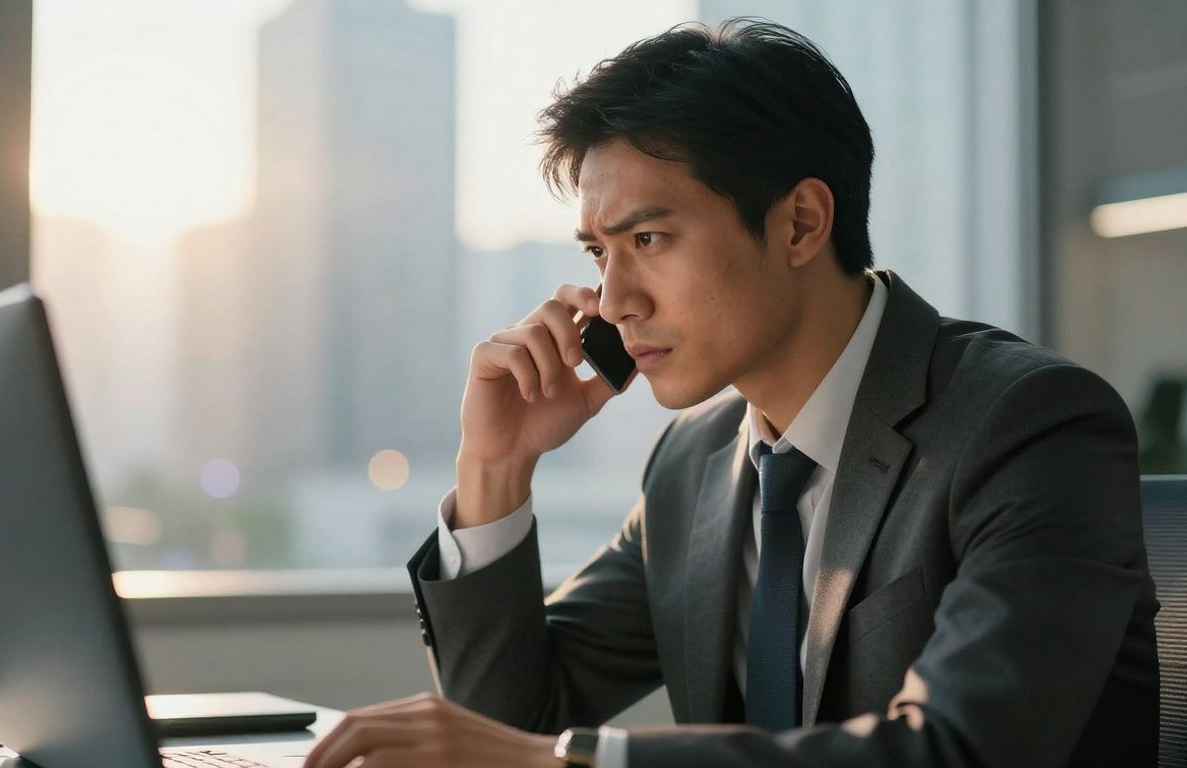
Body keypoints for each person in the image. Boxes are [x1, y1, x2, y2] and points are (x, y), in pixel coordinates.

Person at [302, 19, 1159, 768]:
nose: (613, 302)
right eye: (600, 253)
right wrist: (497, 467)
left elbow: (960, 750)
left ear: (800, 223)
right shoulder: (695, 460)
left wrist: (573, 763)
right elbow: (506, 728)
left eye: (648, 236)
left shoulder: (1029, 425)